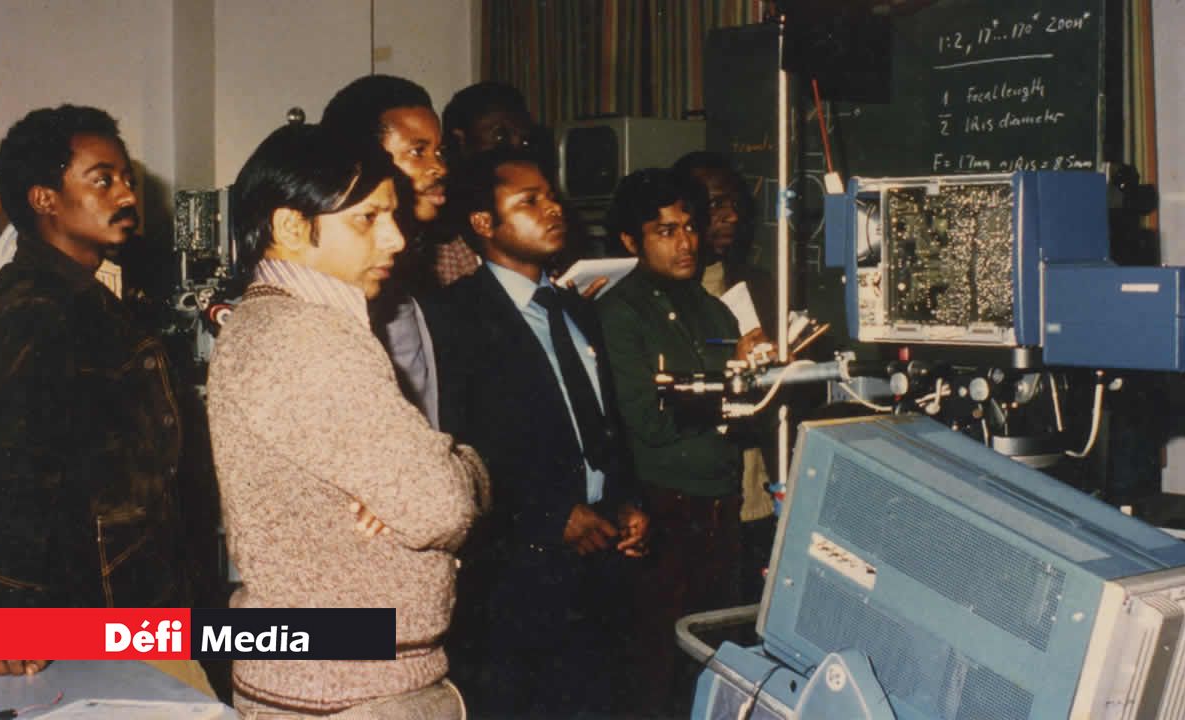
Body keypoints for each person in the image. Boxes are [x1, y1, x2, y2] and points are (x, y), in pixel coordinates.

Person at [205, 123, 489, 718]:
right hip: (351, 692)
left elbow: (418, 496)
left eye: (393, 216)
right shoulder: (310, 337)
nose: (395, 238)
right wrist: (466, 466)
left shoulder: (269, 320)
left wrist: (419, 479)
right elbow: (440, 505)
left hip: (323, 677)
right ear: (290, 226)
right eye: (368, 218)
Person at [0, 105, 214, 692]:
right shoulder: (34, 310)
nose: (127, 194)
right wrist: (7, 609)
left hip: (135, 595)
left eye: (127, 179)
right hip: (93, 608)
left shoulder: (89, 300)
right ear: (44, 199)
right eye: (103, 180)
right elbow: (10, 467)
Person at [423, 147, 647, 718]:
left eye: (551, 196)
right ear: (484, 223)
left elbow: (603, 421)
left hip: (599, 561)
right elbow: (456, 449)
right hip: (515, 573)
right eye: (529, 201)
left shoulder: (576, 309)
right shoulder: (454, 318)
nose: (553, 209)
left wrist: (627, 499)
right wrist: (548, 517)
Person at [597, 167, 769, 716]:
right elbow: (647, 419)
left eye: (690, 227)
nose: (686, 242)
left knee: (718, 665)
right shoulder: (619, 312)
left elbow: (743, 416)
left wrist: (756, 376)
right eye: (665, 231)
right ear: (631, 241)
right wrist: (727, 392)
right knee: (658, 670)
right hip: (665, 510)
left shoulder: (715, 309)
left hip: (723, 507)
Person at [672, 151, 778, 603]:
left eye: (735, 203)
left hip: (759, 487)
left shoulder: (761, 285)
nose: (731, 216)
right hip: (697, 498)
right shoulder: (662, 295)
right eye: (716, 204)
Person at [320, 75, 456, 420]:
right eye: (417, 152)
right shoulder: (341, 279)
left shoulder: (406, 270)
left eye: (439, 151)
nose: (439, 167)